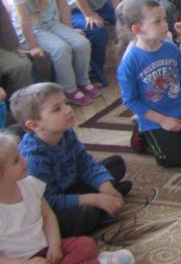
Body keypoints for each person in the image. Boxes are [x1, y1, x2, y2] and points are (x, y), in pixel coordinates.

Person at [10, 83, 132, 238]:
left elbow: (85, 163)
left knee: (116, 163)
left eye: (65, 103)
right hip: (50, 207)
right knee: (85, 215)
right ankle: (100, 208)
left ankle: (105, 200)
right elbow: (48, 201)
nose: (68, 109)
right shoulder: (33, 157)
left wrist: (105, 186)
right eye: (57, 109)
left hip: (71, 186)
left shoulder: (66, 131)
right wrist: (95, 199)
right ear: (34, 125)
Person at [0, 132, 135, 264]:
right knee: (85, 219)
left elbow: (48, 215)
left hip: (45, 248)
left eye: (20, 155)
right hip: (19, 260)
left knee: (86, 244)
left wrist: (54, 246)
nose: (25, 159)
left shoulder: (31, 184)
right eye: (16, 160)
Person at [116, 0, 181, 168]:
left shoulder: (170, 48)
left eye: (165, 19)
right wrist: (162, 120)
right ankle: (142, 137)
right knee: (177, 159)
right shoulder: (130, 62)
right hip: (154, 120)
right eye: (157, 21)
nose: (165, 25)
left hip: (179, 111)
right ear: (137, 29)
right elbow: (130, 100)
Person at [7, 0, 96, 106]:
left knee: (82, 43)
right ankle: (68, 89)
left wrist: (70, 30)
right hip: (32, 31)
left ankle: (83, 80)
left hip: (53, 24)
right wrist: (33, 46)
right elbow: (24, 21)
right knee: (61, 49)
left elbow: (63, 5)